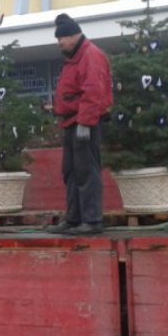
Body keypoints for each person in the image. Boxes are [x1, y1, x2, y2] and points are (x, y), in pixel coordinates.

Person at [48, 13, 112, 235]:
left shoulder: (90, 56)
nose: (59, 43)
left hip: (84, 124)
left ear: (73, 36)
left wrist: (85, 123)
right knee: (72, 172)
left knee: (86, 171)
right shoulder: (76, 57)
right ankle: (75, 219)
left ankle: (92, 220)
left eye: (61, 39)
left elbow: (93, 92)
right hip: (72, 123)